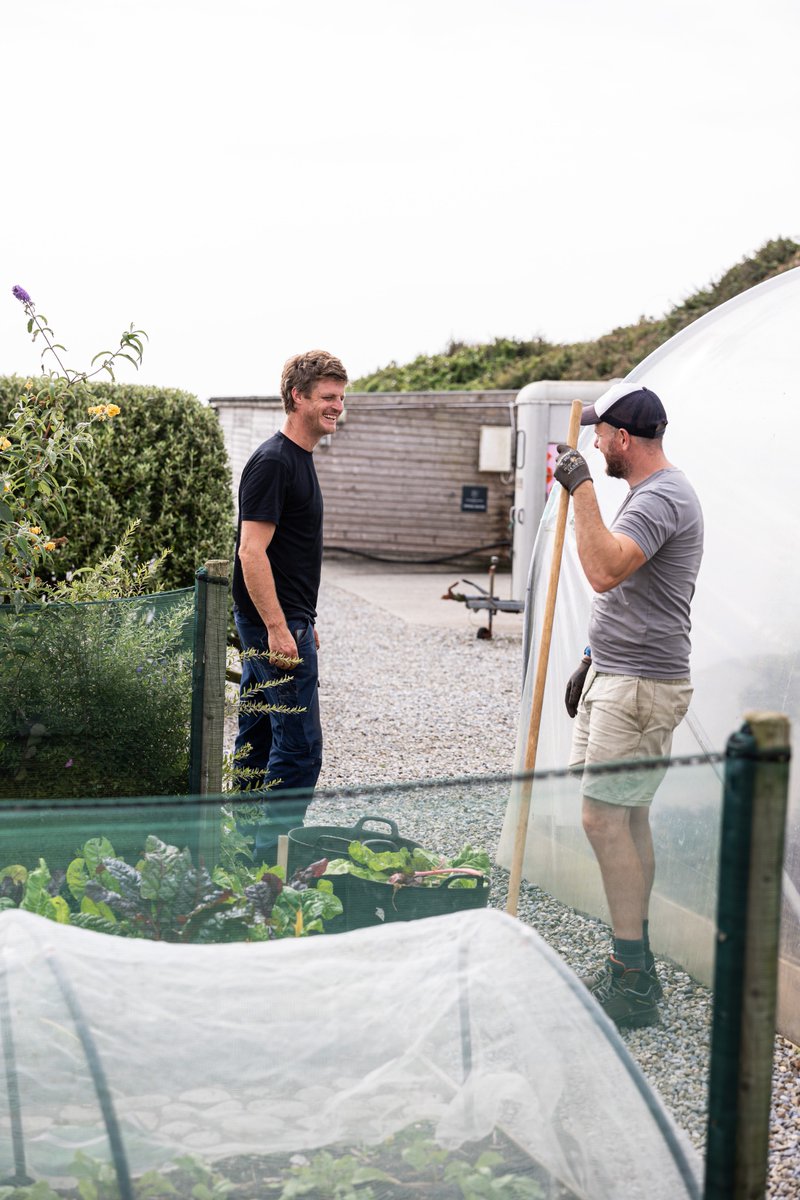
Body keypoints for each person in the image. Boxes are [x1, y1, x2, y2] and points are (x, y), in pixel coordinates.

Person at [553, 382, 703, 1029]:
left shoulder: (662, 496)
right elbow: (630, 594)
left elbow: (605, 569)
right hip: (616, 674)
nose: (593, 443)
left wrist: (581, 487)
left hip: (640, 687)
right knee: (627, 817)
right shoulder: (650, 496)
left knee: (603, 820)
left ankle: (634, 979)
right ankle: (630, 964)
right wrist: (590, 656)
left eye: (599, 434)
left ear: (621, 439)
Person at [232, 349, 348, 860]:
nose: (337, 406)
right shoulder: (274, 461)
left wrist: (303, 619)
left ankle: (239, 851)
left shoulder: (298, 459)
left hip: (287, 622)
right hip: (274, 628)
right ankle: (268, 867)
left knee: (258, 737)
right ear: (297, 396)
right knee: (299, 751)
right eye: (327, 397)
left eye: (341, 397)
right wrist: (280, 629)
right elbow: (250, 551)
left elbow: (286, 555)